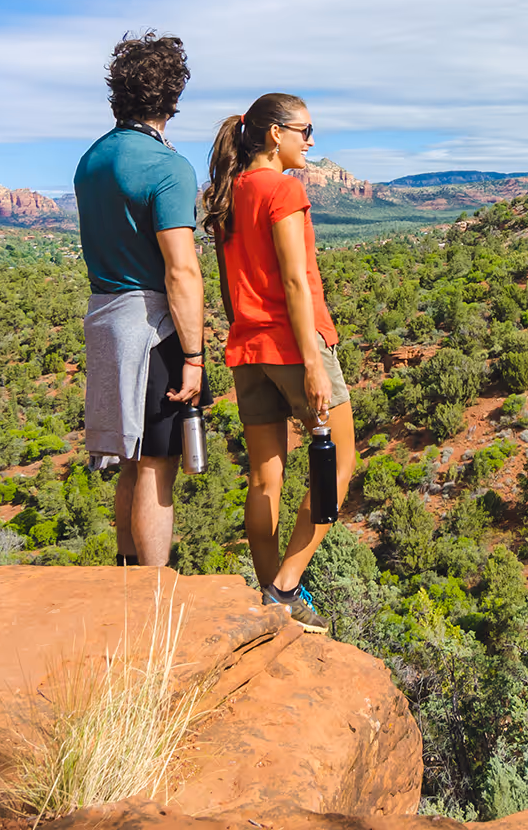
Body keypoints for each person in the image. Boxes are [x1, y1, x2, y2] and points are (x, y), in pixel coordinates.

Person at [200, 93, 357, 633]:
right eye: (305, 129)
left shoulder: (226, 192)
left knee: (267, 479)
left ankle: (270, 603)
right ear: (274, 134)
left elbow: (226, 285)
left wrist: (245, 329)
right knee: (339, 465)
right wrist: (312, 362)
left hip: (248, 350)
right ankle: (286, 587)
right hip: (294, 347)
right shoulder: (281, 188)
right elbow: (295, 281)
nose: (311, 141)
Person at [74, 32, 206, 568]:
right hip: (155, 332)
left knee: (129, 458)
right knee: (158, 465)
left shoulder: (91, 160)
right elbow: (181, 270)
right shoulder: (167, 167)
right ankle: (154, 596)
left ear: (116, 95)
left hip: (105, 321)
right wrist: (194, 356)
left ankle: (125, 582)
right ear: (173, 96)